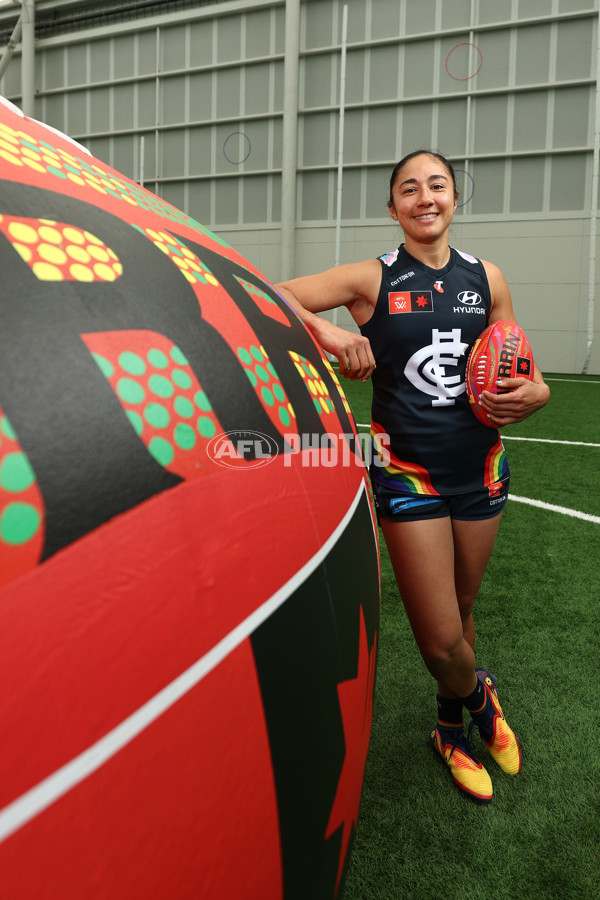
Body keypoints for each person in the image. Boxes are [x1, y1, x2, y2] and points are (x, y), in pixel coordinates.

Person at [275, 149, 550, 803]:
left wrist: (538, 392)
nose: (425, 197)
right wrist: (327, 334)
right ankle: (480, 696)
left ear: (454, 197)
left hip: (481, 468)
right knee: (440, 640)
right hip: (407, 475)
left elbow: (518, 359)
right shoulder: (371, 277)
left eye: (437, 185)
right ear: (393, 207)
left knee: (461, 610)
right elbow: (270, 295)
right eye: (409, 188)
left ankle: (449, 731)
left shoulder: (488, 278)